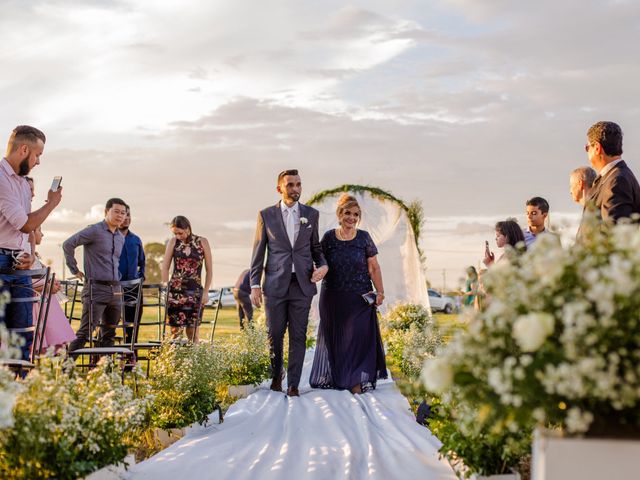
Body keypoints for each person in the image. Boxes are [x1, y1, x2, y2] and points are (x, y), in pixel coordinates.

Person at [250, 169, 328, 397]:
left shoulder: (311, 214)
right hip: (274, 284)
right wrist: (254, 284)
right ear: (280, 189)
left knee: (298, 334)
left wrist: (323, 266)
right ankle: (277, 376)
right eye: (291, 185)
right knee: (274, 334)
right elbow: (258, 250)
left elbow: (316, 249)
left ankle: (293, 383)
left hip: (302, 284)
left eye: (299, 184)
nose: (295, 189)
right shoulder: (266, 215)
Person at [309, 194, 387, 394]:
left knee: (359, 338)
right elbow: (319, 260)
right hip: (332, 297)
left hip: (359, 298)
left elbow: (374, 268)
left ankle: (355, 381)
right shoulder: (328, 238)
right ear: (339, 214)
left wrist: (380, 291)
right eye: (347, 213)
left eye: (355, 214)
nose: (351, 218)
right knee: (338, 339)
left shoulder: (364, 238)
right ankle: (341, 378)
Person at [0, 125, 62, 359]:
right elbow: (25, 224)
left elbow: (25, 231)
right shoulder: (1, 178)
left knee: (23, 335)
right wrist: (52, 203)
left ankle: (20, 392)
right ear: (24, 149)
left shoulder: (23, 184)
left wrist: (28, 254)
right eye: (37, 155)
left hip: (18, 264)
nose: (38, 162)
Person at [63, 198, 127, 352]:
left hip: (116, 291)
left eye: (123, 213)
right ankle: (65, 371)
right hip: (96, 289)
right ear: (106, 212)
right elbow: (68, 244)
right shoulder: (94, 231)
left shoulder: (120, 237)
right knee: (85, 333)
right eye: (116, 211)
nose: (120, 216)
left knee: (109, 334)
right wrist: (74, 269)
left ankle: (102, 373)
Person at [579, 121, 640, 230]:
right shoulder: (612, 177)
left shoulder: (617, 180)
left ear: (597, 148)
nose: (587, 152)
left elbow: (612, 234)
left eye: (587, 147)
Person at [161, 216, 212, 343]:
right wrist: (166, 288)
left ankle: (194, 362)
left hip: (195, 293)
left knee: (193, 333)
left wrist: (206, 292)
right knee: (175, 334)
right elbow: (165, 268)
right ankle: (174, 361)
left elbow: (209, 270)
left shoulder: (202, 242)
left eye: (180, 233)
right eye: (175, 233)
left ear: (188, 229)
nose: (178, 236)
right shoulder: (173, 242)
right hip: (175, 293)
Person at [31, 226, 75, 352]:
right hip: (35, 305)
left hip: (45, 305)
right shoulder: (26, 257)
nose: (42, 234)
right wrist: (46, 286)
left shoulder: (35, 257)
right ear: (31, 234)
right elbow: (25, 282)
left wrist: (52, 283)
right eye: (39, 230)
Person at [118, 204, 146, 342]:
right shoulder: (109, 238)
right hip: (113, 289)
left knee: (132, 330)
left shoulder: (136, 240)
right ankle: (103, 361)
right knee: (107, 328)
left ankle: (130, 362)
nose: (126, 218)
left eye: (128, 215)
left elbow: (142, 262)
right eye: (123, 214)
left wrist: (140, 279)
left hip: (133, 289)